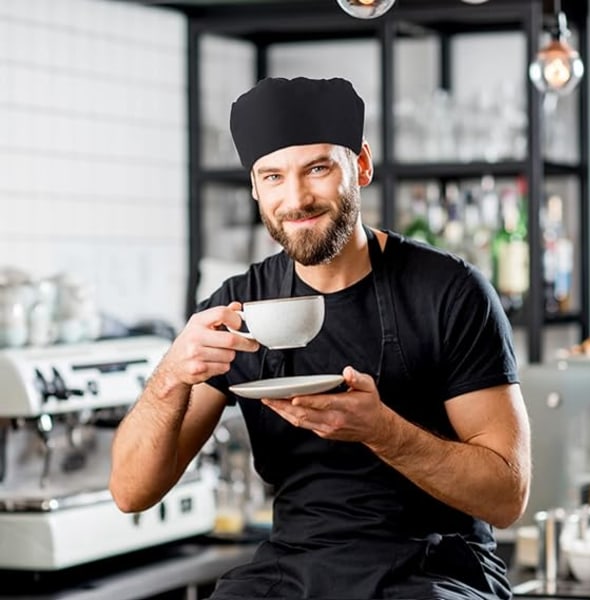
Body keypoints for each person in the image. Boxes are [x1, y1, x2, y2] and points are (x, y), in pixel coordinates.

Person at [109, 76, 531, 599]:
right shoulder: (239, 307)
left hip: (435, 570)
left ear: (361, 166)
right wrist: (172, 373)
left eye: (318, 168)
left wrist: (383, 431)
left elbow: (507, 495)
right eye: (273, 177)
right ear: (255, 189)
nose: (297, 198)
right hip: (292, 572)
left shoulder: (450, 292)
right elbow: (130, 492)